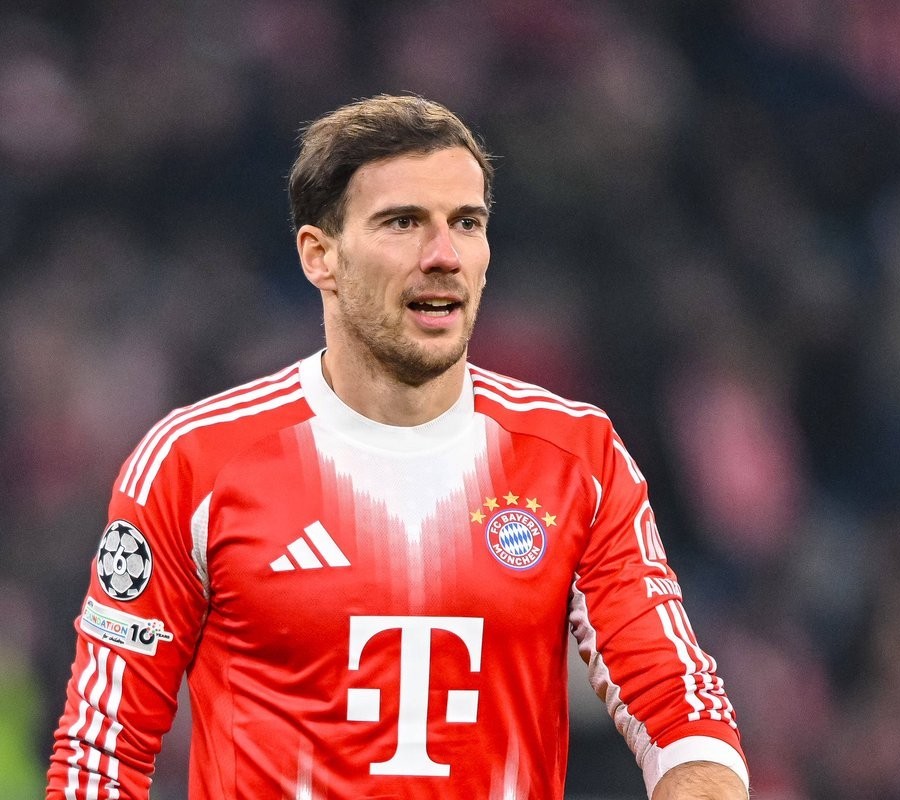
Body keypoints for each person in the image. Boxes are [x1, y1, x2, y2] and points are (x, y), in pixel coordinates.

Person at [45, 94, 748, 800]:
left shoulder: (575, 457)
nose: (443, 256)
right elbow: (101, 750)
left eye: (465, 223)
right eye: (403, 223)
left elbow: (679, 706)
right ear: (320, 257)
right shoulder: (193, 463)